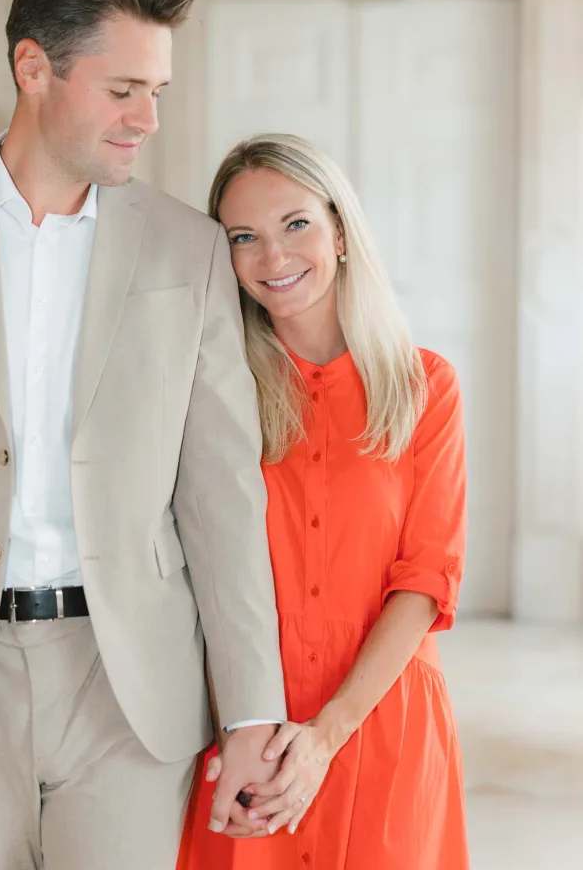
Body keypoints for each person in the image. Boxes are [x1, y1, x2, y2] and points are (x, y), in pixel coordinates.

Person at [0, 0, 287, 870]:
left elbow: (221, 495)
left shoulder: (185, 250)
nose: (147, 119)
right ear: (33, 67)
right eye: (122, 91)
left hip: (129, 685)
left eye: (156, 90)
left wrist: (249, 710)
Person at [179, 133, 470, 870]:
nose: (272, 257)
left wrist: (326, 734)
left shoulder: (423, 388)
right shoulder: (213, 394)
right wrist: (250, 726)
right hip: (246, 728)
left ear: (340, 231)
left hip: (379, 720)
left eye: (295, 224)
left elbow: (425, 579)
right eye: (244, 237)